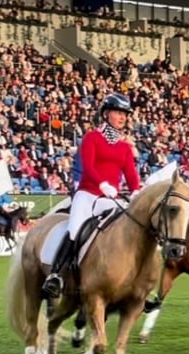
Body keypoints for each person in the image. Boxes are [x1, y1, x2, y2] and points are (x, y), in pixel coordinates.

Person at [42, 93, 140, 298]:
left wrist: (137, 192)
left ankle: (135, 280)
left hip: (110, 199)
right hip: (87, 195)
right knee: (74, 229)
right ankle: (56, 275)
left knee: (129, 228)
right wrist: (102, 184)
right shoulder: (92, 137)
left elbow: (131, 175)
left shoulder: (124, 147)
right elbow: (88, 166)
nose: (122, 117)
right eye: (118, 112)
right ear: (105, 114)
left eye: (125, 114)